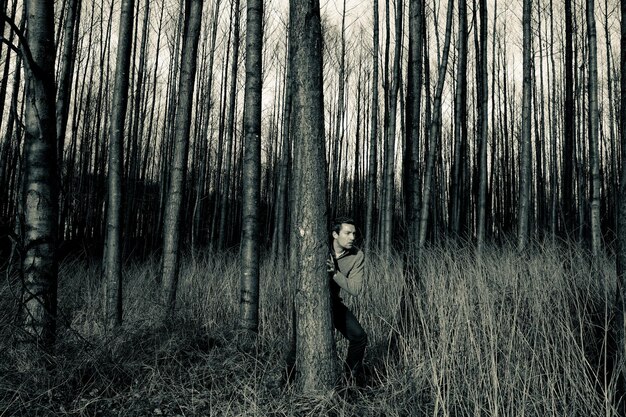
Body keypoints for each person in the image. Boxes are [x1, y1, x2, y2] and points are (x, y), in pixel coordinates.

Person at [326, 216, 368, 383]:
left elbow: (356, 289)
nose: (352, 238)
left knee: (359, 337)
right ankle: (286, 383)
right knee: (297, 345)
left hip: (334, 303)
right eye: (347, 233)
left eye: (354, 233)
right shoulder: (320, 246)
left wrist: (335, 273)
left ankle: (348, 382)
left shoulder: (357, 255)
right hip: (308, 303)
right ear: (335, 234)